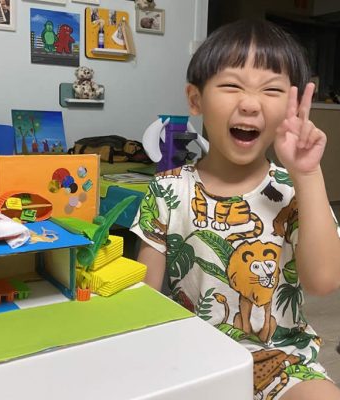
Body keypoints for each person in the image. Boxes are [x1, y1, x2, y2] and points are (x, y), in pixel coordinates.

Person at [131, 19, 340, 400]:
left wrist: (307, 174)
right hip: (191, 357)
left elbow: (323, 282)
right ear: (195, 99)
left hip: (282, 358)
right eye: (231, 85)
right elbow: (144, 296)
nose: (250, 103)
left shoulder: (292, 189)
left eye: (272, 90)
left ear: (292, 106)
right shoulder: (167, 189)